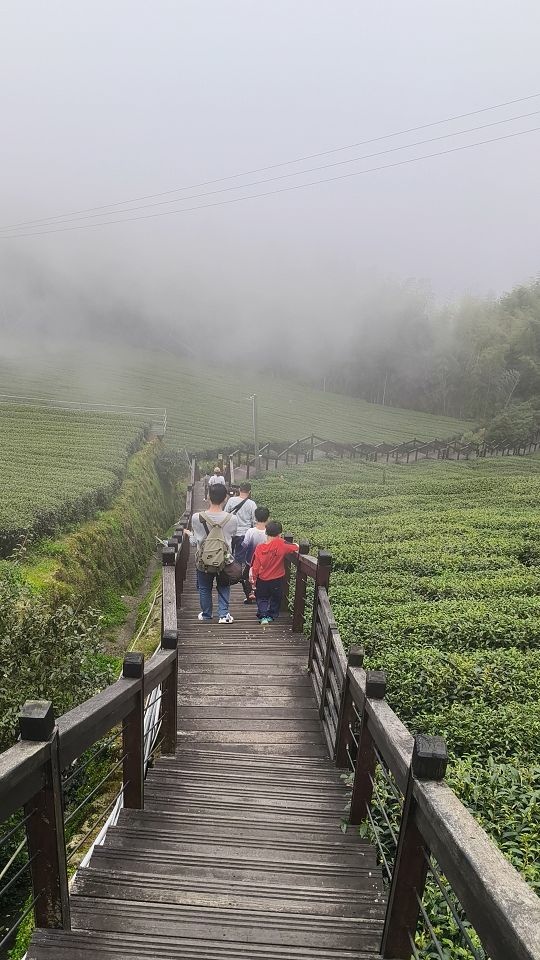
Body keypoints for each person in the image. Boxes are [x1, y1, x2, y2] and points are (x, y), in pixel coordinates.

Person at [189, 483, 237, 623]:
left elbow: (195, 542)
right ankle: (223, 615)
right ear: (225, 498)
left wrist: (188, 535)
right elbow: (231, 536)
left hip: (203, 560)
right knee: (224, 585)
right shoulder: (232, 519)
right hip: (224, 559)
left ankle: (206, 615)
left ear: (208, 496)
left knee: (204, 588)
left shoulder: (196, 517)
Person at [250, 521, 299, 624]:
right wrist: (296, 545)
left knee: (262, 598)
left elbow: (255, 566)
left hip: (262, 579)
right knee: (276, 597)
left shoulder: (259, 548)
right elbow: (294, 547)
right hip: (277, 579)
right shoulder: (281, 543)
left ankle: (263, 615)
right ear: (279, 533)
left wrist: (254, 580)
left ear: (266, 533)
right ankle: (271, 615)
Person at [236, 505, 270, 603]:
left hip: (250, 560)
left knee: (246, 577)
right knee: (261, 579)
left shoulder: (251, 531)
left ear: (255, 518)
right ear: (268, 518)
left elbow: (244, 545)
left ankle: (249, 595)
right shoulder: (268, 532)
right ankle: (259, 595)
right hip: (265, 562)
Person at [225, 482, 257, 557]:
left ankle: (229, 568)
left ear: (239, 490)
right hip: (244, 534)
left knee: (228, 556)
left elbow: (225, 514)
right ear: (249, 491)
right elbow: (255, 520)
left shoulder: (231, 500)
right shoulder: (252, 504)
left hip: (230, 532)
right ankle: (238, 568)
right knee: (239, 557)